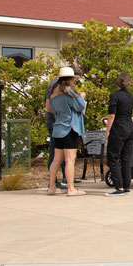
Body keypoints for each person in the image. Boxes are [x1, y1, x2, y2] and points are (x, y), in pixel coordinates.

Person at [46, 67, 87, 197]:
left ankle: (51, 187)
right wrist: (81, 96)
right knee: (70, 160)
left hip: (57, 129)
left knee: (56, 160)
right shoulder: (68, 93)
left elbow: (50, 109)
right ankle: (71, 189)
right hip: (69, 128)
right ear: (70, 79)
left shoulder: (54, 94)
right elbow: (80, 106)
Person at [104, 72, 133, 196]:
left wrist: (107, 131)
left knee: (112, 158)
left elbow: (112, 115)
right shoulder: (131, 96)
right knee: (125, 158)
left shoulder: (114, 96)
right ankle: (126, 186)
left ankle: (119, 187)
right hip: (129, 127)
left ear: (117, 83)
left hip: (118, 128)